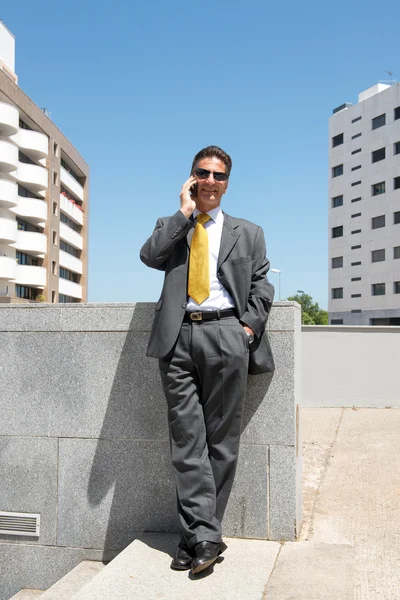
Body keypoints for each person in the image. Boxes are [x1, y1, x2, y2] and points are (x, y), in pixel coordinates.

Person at [140, 145, 274, 575]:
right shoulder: (172, 225)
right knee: (187, 442)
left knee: (221, 442)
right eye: (203, 173)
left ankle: (196, 537)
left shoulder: (247, 232)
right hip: (177, 338)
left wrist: (247, 329)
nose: (211, 181)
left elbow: (261, 286)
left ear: (227, 183)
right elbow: (150, 257)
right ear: (191, 178)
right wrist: (182, 215)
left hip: (226, 334)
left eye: (219, 175)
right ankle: (205, 537)